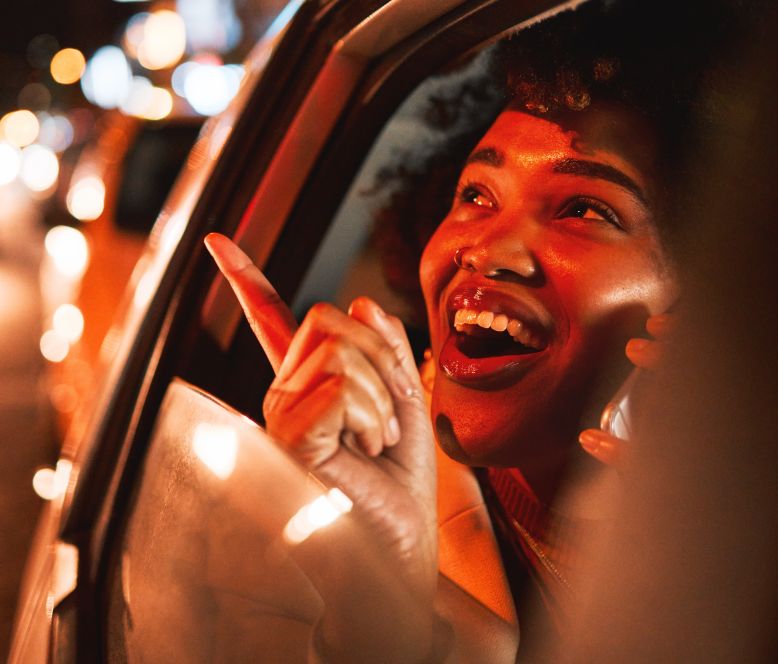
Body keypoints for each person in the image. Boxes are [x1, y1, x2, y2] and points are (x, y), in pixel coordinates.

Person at [203, 1, 739, 660]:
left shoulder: (743, 542)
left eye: (584, 208)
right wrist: (376, 593)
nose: (487, 249)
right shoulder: (328, 506)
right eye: (477, 196)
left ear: (718, 289)